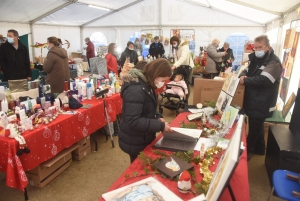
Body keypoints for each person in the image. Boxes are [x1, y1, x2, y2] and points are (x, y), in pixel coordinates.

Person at [118, 58, 172, 163]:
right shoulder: (136, 90)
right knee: (137, 166)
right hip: (134, 139)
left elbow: (149, 106)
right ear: (156, 74)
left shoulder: (147, 84)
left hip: (143, 136)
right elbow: (133, 120)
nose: (163, 83)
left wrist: (158, 116)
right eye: (163, 80)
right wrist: (160, 126)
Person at [239, 35, 282, 161]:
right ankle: (260, 148)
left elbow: (264, 80)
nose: (257, 50)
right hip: (253, 99)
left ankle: (249, 151)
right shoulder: (256, 60)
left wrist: (246, 81)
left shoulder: (274, 62)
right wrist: (242, 76)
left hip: (262, 101)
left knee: (254, 129)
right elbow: (245, 70)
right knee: (257, 125)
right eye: (255, 47)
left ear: (267, 47)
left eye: (260, 47)